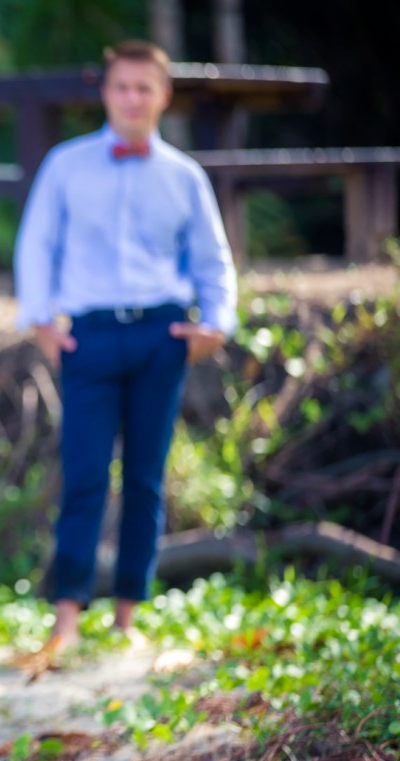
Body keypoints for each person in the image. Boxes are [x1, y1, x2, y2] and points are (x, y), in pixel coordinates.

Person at [13, 40, 237, 649]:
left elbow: (212, 259)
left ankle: (127, 617)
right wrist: (40, 320)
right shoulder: (65, 165)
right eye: (122, 87)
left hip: (161, 335)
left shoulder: (184, 176)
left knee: (145, 477)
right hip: (87, 336)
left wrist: (216, 324)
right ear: (106, 93)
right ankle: (66, 616)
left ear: (163, 96)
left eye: (144, 88)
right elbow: (36, 244)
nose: (133, 99)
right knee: (84, 474)